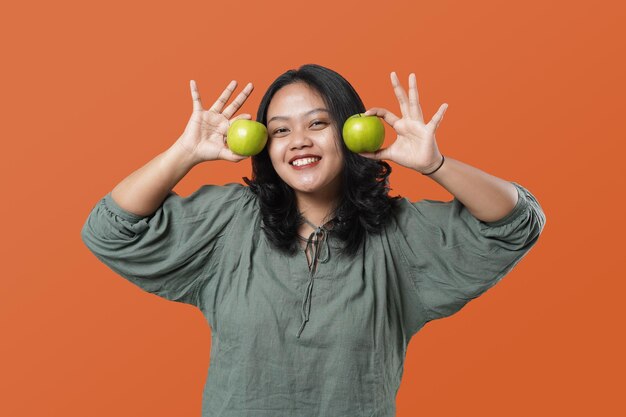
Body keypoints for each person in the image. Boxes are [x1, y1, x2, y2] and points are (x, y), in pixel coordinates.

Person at [81, 63, 546, 417]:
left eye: (318, 124)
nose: (298, 140)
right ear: (265, 144)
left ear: (349, 132)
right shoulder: (228, 222)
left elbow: (517, 223)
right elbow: (109, 230)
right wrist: (183, 153)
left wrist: (435, 166)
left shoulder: (399, 234)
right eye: (281, 129)